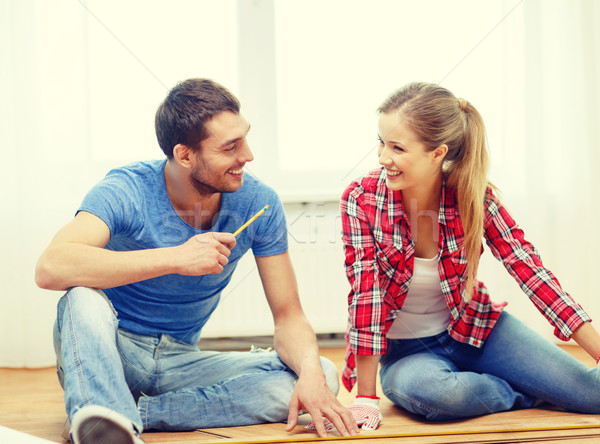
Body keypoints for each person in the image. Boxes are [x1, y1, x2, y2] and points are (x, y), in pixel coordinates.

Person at [35, 78, 357, 444]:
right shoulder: (125, 189)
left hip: (180, 361)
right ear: (185, 155)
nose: (248, 156)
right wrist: (176, 258)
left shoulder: (259, 202)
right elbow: (51, 267)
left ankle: (129, 416)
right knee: (81, 296)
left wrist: (310, 371)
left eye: (245, 138)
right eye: (231, 147)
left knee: (321, 376)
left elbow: (288, 315)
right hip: (110, 351)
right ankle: (102, 416)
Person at [337, 82, 600, 429]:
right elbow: (366, 295)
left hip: (477, 328)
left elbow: (530, 271)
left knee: (593, 396)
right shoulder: (361, 199)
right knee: (429, 394)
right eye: (381, 142)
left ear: (437, 153)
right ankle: (518, 392)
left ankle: (520, 379)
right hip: (408, 352)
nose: (384, 157)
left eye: (398, 148)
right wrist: (366, 398)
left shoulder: (474, 198)